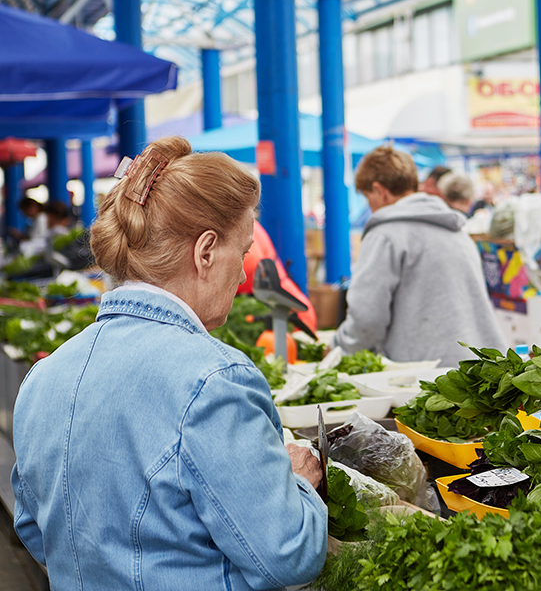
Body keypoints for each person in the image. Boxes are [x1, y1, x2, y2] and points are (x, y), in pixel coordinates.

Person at [11, 136, 328, 589]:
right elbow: (289, 554)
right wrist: (295, 482)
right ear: (205, 252)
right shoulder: (215, 378)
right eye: (241, 253)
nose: (242, 273)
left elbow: (35, 529)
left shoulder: (43, 377)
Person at [333, 145, 507, 366]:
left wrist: (338, 349)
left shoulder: (385, 235)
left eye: (368, 198)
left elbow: (367, 319)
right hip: (479, 369)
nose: (371, 207)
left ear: (379, 190)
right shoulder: (456, 230)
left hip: (427, 379)